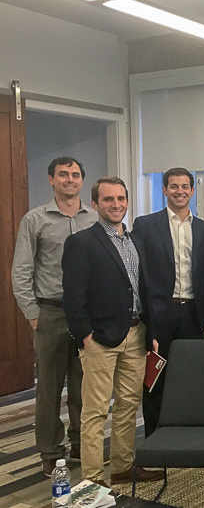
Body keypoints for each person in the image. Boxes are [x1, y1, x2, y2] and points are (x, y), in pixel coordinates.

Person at [61, 177, 163, 486]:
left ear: (127, 202)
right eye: (108, 199)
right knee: (95, 412)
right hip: (100, 339)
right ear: (94, 204)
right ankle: (93, 479)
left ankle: (122, 467)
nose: (116, 204)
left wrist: (150, 332)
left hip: (136, 334)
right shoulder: (81, 242)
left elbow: (143, 290)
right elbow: (73, 295)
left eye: (121, 199)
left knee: (128, 406)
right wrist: (84, 336)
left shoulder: (135, 241)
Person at [11, 157, 97, 476]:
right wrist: (34, 316)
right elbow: (21, 271)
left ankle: (80, 444)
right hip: (50, 312)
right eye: (63, 175)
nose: (70, 179)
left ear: (82, 181)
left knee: (84, 385)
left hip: (87, 315)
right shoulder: (35, 220)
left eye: (76, 174)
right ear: (51, 180)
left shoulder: (94, 219)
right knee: (49, 388)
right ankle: (49, 451)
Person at [131, 167, 204, 437]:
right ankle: (155, 436)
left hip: (193, 312)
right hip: (160, 313)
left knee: (190, 376)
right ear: (164, 189)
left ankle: (186, 433)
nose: (179, 191)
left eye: (185, 186)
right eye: (174, 186)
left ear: (192, 190)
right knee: (155, 378)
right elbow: (139, 273)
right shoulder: (146, 225)